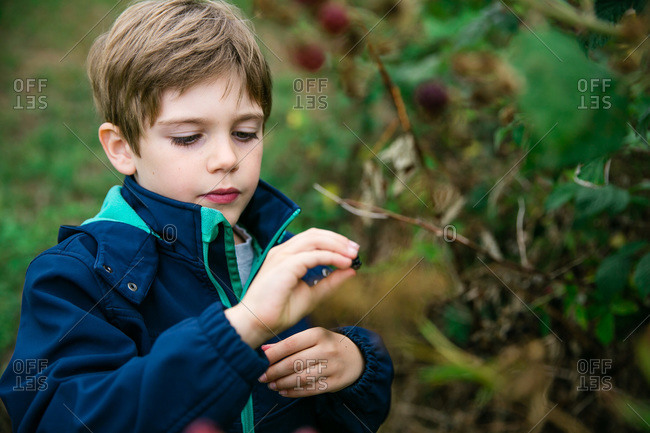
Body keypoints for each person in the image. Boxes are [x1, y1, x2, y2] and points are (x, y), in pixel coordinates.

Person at [0, 0, 393, 432]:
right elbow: (60, 419)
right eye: (188, 138)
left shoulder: (284, 254)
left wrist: (354, 365)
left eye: (245, 133)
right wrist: (239, 330)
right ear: (122, 147)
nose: (226, 158)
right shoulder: (76, 279)